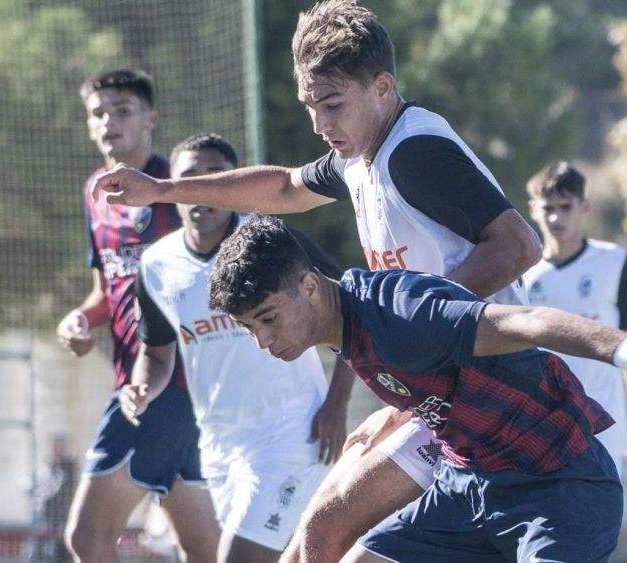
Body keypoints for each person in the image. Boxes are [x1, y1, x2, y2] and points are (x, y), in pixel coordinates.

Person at [91, 2, 541, 558]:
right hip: (435, 394)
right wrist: (162, 191)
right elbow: (283, 188)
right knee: (320, 536)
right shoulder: (360, 156)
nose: (320, 125)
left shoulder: (414, 152)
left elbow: (519, 245)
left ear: (382, 87)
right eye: (310, 107)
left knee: (329, 533)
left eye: (332, 105)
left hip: (487, 388)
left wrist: (415, 324)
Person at [206, 215, 627, 562]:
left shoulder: (403, 314)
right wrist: (390, 416)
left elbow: (528, 321)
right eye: (249, 328)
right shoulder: (346, 328)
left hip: (558, 489)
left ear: (309, 287)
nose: (262, 341)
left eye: (268, 319)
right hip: (469, 486)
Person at [117, 133, 355, 563]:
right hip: (219, 445)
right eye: (191, 175)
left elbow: (350, 307)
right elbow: (156, 354)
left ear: (232, 182)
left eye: (216, 174)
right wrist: (141, 388)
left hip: (292, 434)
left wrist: (336, 405)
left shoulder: (271, 241)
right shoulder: (156, 265)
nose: (203, 186)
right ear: (174, 184)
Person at [55, 69, 217, 563]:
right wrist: (80, 320)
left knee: (87, 538)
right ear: (88, 125)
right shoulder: (94, 192)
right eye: (98, 113)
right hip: (147, 385)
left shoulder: (176, 188)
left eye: (122, 110)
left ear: (151, 118)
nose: (109, 121)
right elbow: (106, 291)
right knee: (205, 551)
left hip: (161, 388)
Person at [523, 162, 627, 473]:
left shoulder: (614, 261)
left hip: (604, 422)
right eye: (548, 208)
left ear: (584, 207)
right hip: (542, 426)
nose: (556, 218)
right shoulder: (522, 272)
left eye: (565, 207)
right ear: (533, 209)